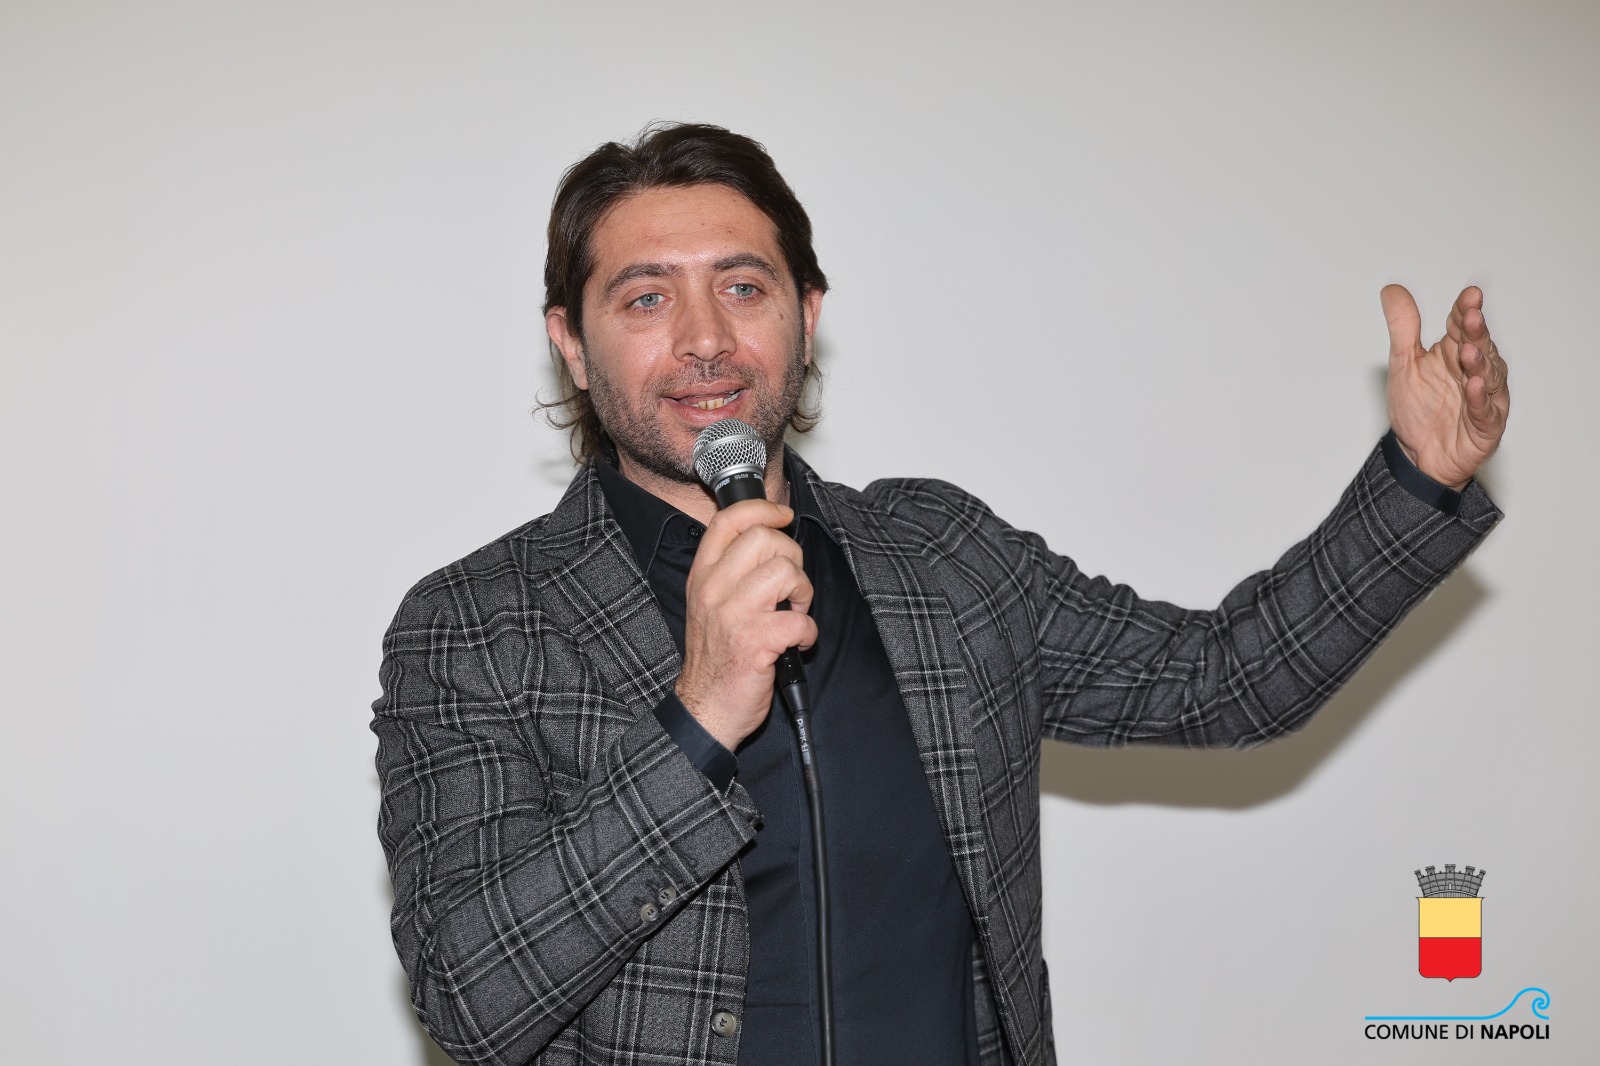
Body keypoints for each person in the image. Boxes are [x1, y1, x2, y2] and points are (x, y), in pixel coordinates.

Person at [372, 123, 1508, 1066]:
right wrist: (699, 716)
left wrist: (1420, 480)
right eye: (645, 299)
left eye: (743, 286)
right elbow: (471, 1001)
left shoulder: (942, 556)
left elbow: (1222, 681)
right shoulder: (473, 626)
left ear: (807, 314)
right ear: (572, 345)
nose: (706, 339)